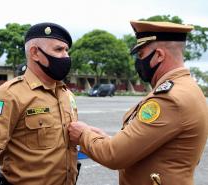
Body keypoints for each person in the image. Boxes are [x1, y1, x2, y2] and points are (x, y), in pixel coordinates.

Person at [68, 20, 208, 185]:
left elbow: (114, 155)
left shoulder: (169, 98)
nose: (138, 62)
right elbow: (151, 142)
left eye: (141, 55)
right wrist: (105, 138)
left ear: (159, 56)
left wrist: (83, 134)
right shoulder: (187, 88)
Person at [0, 22, 78, 185]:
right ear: (34, 53)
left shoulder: (66, 94)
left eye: (66, 50)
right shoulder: (7, 95)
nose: (66, 56)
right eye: (58, 49)